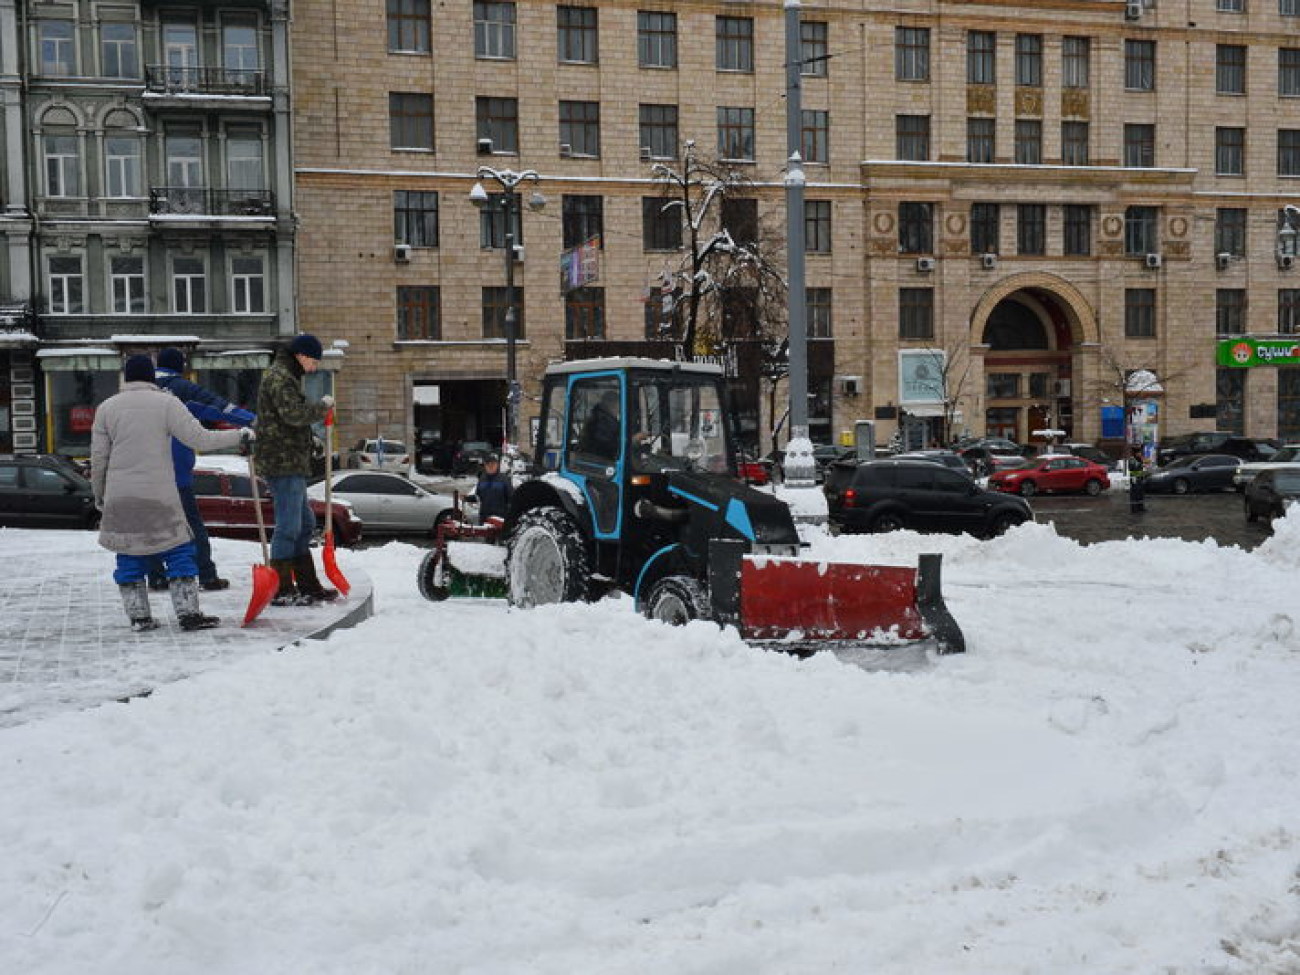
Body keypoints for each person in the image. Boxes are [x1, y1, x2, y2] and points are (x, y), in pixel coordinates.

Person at [91, 355, 252, 632]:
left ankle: (139, 618)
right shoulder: (167, 403)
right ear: (151, 378)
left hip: (120, 496)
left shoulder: (107, 408)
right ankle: (188, 614)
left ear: (127, 378)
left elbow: (98, 458)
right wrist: (239, 435)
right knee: (178, 549)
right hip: (159, 496)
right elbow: (199, 438)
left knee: (128, 554)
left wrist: (100, 495)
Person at [146, 347, 256, 592]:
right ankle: (206, 574)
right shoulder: (182, 389)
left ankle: (156, 576)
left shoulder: (140, 390)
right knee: (192, 527)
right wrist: (251, 420)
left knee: (154, 527)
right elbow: (217, 407)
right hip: (176, 473)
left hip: (147, 474)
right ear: (179, 366)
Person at [255, 334, 337, 605]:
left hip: (292, 459)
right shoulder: (279, 377)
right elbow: (293, 414)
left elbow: (288, 419)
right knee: (289, 526)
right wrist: (321, 407)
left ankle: (307, 584)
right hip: (282, 462)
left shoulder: (287, 377)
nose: (313, 368)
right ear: (301, 355)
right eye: (313, 361)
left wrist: (309, 440)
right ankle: (280, 588)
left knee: (304, 524)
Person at [579, 389, 622, 459]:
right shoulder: (601, 421)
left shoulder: (605, 419)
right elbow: (606, 445)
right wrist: (631, 442)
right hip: (599, 461)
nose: (618, 409)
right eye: (618, 405)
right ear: (610, 404)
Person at [474, 453, 513, 522]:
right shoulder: (482, 479)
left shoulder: (504, 479)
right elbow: (478, 496)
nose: (490, 466)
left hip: (500, 518)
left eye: (493, 464)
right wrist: (467, 498)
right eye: (488, 464)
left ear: (497, 465)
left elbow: (511, 499)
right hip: (484, 517)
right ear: (485, 466)